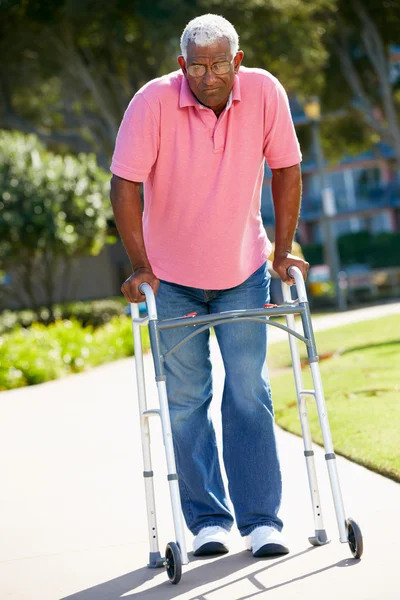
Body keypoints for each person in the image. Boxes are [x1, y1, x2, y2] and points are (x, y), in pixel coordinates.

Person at [110, 14, 309, 558]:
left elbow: (287, 169)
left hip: (242, 271)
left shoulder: (265, 92)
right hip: (170, 281)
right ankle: (208, 523)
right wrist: (140, 264)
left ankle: (262, 521)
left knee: (248, 392)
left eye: (220, 63)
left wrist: (284, 250)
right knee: (184, 401)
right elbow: (124, 184)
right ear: (182, 66)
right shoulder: (152, 102)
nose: (209, 75)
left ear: (236, 61)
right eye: (197, 65)